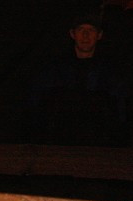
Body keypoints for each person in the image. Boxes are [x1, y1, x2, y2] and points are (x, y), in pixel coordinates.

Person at [29, 13, 127, 147]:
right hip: (58, 145)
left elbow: (119, 111)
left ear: (99, 35)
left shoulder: (110, 72)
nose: (85, 35)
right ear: (72, 34)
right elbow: (38, 106)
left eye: (91, 30)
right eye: (81, 30)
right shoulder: (54, 68)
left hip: (98, 146)